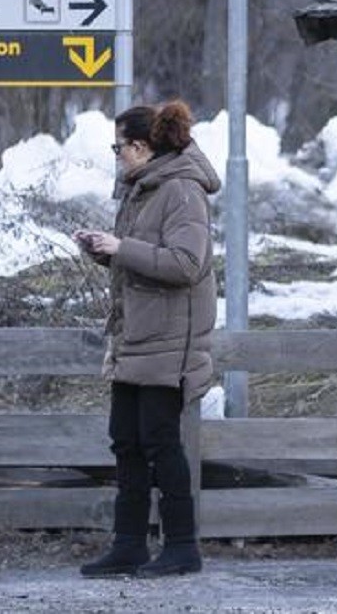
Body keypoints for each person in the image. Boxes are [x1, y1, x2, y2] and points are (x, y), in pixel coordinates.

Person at [74, 99, 220, 578]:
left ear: (141, 146)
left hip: (168, 342)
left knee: (160, 443)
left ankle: (182, 546)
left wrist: (122, 247)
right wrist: (105, 251)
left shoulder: (181, 189)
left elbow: (184, 263)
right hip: (135, 338)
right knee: (126, 443)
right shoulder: (142, 189)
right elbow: (141, 258)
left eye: (118, 147)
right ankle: (130, 543)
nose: (116, 156)